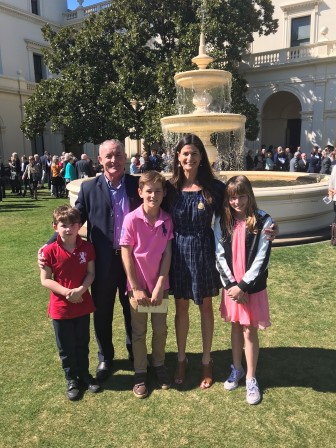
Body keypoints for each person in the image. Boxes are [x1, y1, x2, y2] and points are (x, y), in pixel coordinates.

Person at [163, 134, 225, 389]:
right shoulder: (169, 189)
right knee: (181, 307)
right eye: (185, 153)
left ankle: (207, 361)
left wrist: (265, 224)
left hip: (203, 249)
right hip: (177, 250)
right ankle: (181, 358)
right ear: (178, 157)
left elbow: (238, 214)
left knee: (206, 306)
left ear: (202, 158)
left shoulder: (215, 188)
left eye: (195, 154)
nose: (190, 158)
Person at [214, 175, 272, 405]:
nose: (237, 201)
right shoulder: (221, 220)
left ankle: (250, 377)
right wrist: (231, 286)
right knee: (236, 327)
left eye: (241, 196)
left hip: (252, 288)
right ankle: (236, 368)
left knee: (250, 330)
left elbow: (262, 257)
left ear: (249, 195)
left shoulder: (264, 221)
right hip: (231, 287)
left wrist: (244, 286)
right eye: (232, 197)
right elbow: (219, 254)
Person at [120, 171, 173, 398]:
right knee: (139, 332)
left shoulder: (167, 219)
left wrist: (161, 284)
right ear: (140, 192)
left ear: (164, 193)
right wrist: (135, 287)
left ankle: (158, 364)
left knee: (160, 330)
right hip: (137, 288)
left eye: (158, 191)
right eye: (149, 191)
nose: (153, 195)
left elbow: (167, 254)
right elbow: (126, 254)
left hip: (160, 286)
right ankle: (141, 372)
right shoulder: (131, 219)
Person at [40, 205, 101, 401]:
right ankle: (71, 379)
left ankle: (84, 375)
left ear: (79, 226)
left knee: (83, 343)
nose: (68, 229)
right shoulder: (49, 251)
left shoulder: (87, 247)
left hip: (82, 303)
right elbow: (45, 279)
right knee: (66, 347)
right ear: (55, 226)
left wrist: (81, 290)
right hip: (61, 308)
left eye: (73, 225)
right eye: (63, 225)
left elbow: (91, 273)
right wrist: (67, 292)